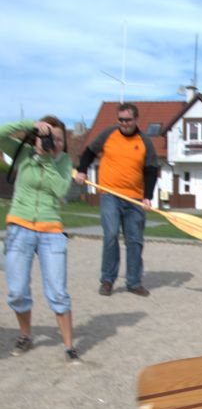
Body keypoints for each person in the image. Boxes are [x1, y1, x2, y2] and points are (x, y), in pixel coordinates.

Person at [1, 117, 80, 362]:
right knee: (17, 291)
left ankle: (68, 346)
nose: (53, 142)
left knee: (58, 292)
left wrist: (45, 159)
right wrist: (27, 125)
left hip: (51, 229)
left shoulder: (64, 162)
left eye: (58, 139)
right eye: (49, 136)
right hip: (19, 225)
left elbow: (60, 190)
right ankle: (25, 335)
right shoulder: (24, 151)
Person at [75, 102, 158, 297]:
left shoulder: (145, 141)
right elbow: (89, 152)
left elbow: (151, 170)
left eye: (128, 120)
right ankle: (107, 280)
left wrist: (147, 197)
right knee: (111, 235)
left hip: (135, 198)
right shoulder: (108, 134)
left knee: (135, 240)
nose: (124, 123)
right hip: (110, 194)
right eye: (121, 120)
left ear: (136, 119)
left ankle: (134, 282)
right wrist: (82, 170)